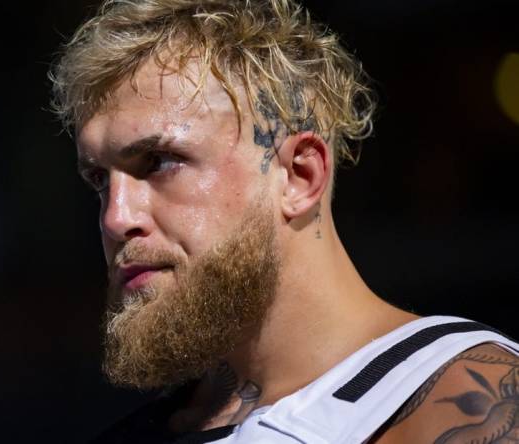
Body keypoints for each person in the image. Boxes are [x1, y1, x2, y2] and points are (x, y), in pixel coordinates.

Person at [49, 0, 519, 442]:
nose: (116, 218)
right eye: (98, 180)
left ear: (299, 176)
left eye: (159, 162)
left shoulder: (462, 403)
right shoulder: (138, 430)